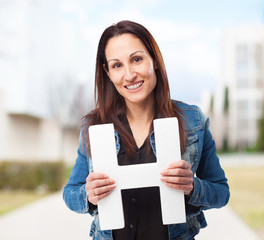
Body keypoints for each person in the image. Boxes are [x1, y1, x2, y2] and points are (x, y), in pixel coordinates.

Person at [63, 20, 230, 240]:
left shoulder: (193, 120)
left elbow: (221, 192)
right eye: (117, 65)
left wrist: (192, 186)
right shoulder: (95, 125)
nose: (129, 74)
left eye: (137, 59)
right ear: (107, 72)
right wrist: (87, 194)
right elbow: (70, 193)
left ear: (155, 60)